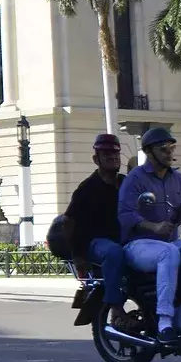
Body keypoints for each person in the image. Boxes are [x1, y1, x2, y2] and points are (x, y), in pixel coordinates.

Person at [117, 126, 181, 345]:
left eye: (171, 147)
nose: (169, 153)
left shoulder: (177, 178)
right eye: (163, 149)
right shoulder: (135, 178)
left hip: (169, 242)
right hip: (138, 245)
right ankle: (164, 321)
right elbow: (124, 214)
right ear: (149, 152)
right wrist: (153, 226)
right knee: (168, 253)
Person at [63, 133, 129, 329]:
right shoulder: (87, 188)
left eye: (116, 154)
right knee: (114, 252)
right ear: (96, 159)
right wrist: (77, 255)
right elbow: (69, 221)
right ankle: (116, 309)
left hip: (124, 239)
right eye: (107, 154)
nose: (113, 158)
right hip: (96, 243)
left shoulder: (125, 183)